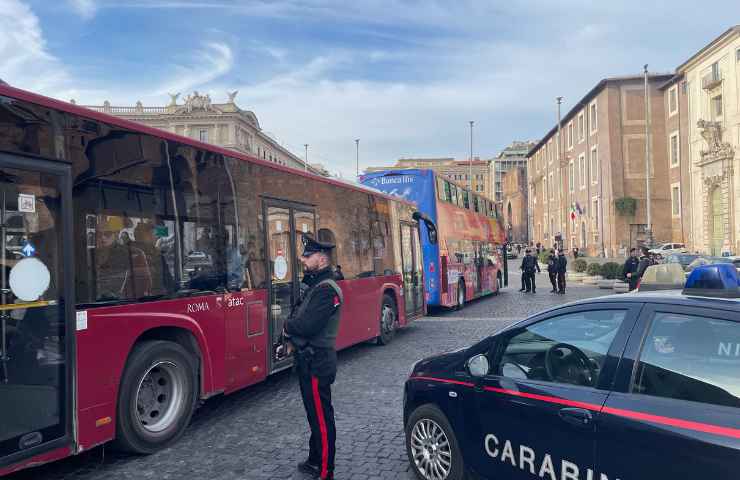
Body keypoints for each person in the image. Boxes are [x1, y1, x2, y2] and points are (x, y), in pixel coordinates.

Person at [283, 234, 343, 480]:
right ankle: (314, 460)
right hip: (309, 361)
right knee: (314, 415)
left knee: (321, 418)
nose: (303, 260)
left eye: (307, 257)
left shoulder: (326, 290)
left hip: (318, 362)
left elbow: (306, 325)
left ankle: (326, 471)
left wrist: (287, 326)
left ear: (321, 258)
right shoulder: (317, 285)